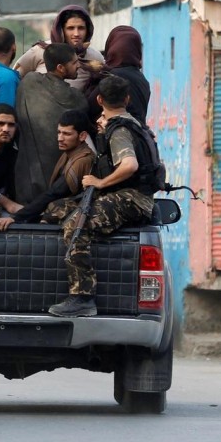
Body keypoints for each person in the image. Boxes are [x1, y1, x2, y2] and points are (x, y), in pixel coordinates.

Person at [49, 76, 154, 318]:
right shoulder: (131, 124)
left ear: (99, 99)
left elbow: (129, 165)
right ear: (126, 99)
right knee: (55, 210)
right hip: (127, 196)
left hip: (132, 198)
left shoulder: (120, 130)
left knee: (76, 227)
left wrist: (100, 182)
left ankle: (82, 297)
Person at [0, 109, 94, 231]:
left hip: (84, 210)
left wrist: (16, 217)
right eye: (59, 132)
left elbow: (54, 193)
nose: (60, 138)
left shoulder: (82, 159)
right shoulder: (70, 153)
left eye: (66, 134)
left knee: (55, 207)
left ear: (82, 136)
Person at [14, 43, 88, 204]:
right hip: (60, 189)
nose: (78, 66)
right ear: (61, 67)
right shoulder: (77, 99)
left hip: (24, 183)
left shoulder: (28, 82)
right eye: (74, 62)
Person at [13, 5, 104, 91]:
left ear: (88, 30)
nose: (76, 34)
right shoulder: (42, 51)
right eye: (70, 28)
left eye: (81, 28)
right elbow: (15, 76)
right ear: (61, 30)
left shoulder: (94, 58)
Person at [84, 26, 150, 126]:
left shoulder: (112, 76)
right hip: (138, 134)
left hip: (114, 135)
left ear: (111, 48)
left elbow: (89, 108)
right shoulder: (142, 79)